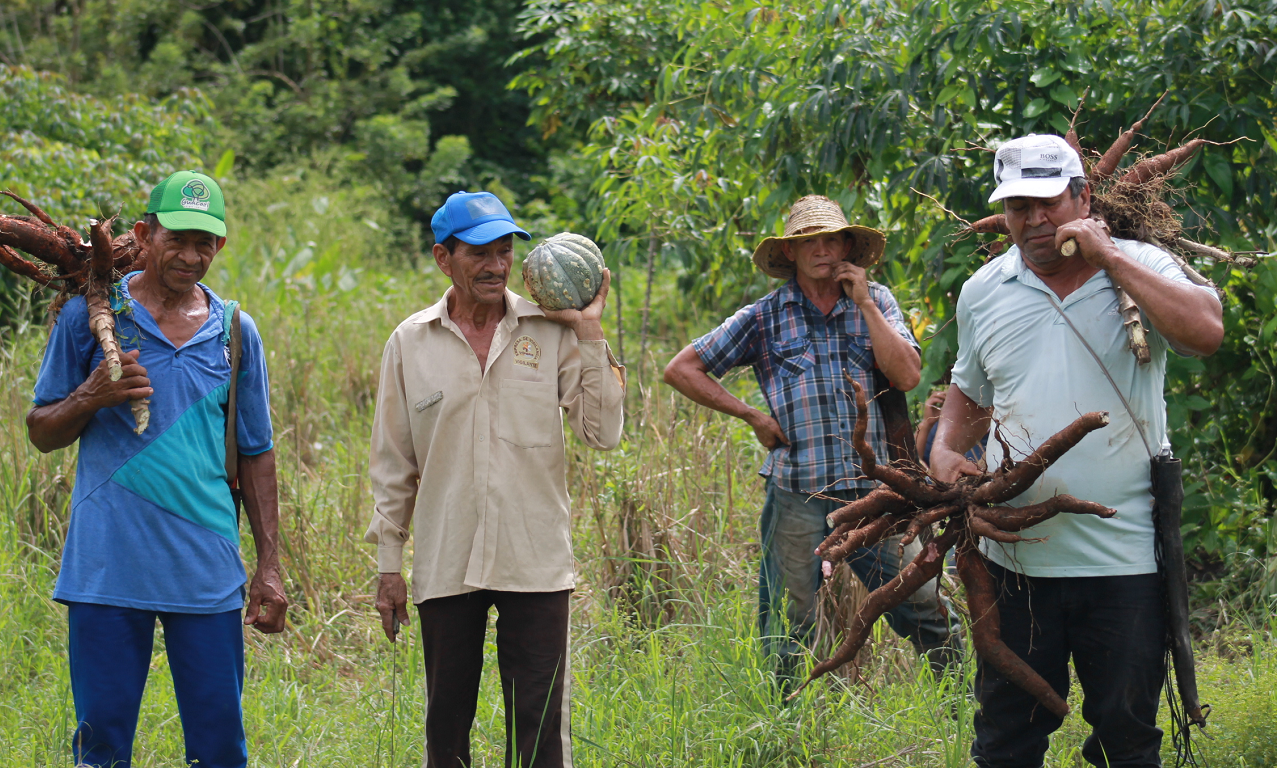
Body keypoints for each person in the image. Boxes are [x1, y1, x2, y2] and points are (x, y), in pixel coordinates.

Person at [929, 134, 1223, 766]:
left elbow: (1205, 333)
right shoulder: (984, 291)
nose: (1034, 221)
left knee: (1127, 734)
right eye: (1016, 208)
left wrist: (1111, 259)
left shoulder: (1140, 264)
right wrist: (946, 455)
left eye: (1048, 203)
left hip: (1125, 565)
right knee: (1006, 737)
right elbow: (967, 403)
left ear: (1082, 198)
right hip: (1015, 566)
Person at [26, 170, 288, 768]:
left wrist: (269, 566)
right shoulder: (93, 319)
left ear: (220, 246)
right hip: (107, 566)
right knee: (103, 744)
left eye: (206, 243)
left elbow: (257, 453)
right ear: (143, 236)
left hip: (205, 568)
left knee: (221, 745)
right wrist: (88, 397)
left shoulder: (235, 333)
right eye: (178, 239)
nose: (192, 256)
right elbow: (41, 432)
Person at [366, 191, 625, 768]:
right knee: (446, 726)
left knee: (539, 727)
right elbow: (393, 464)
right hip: (446, 555)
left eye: (505, 251)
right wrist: (389, 566)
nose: (496, 265)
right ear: (443, 257)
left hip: (534, 556)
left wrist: (589, 332)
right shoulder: (410, 343)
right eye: (480, 252)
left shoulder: (552, 329)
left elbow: (602, 433)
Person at [662, 194, 962, 684]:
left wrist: (864, 302)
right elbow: (681, 369)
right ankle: (784, 727)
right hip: (797, 489)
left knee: (923, 604)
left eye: (832, 239)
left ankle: (964, 705)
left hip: (873, 491)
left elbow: (908, 376)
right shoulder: (765, 315)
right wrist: (750, 415)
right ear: (792, 253)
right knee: (788, 621)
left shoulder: (876, 300)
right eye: (810, 242)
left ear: (847, 245)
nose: (823, 249)